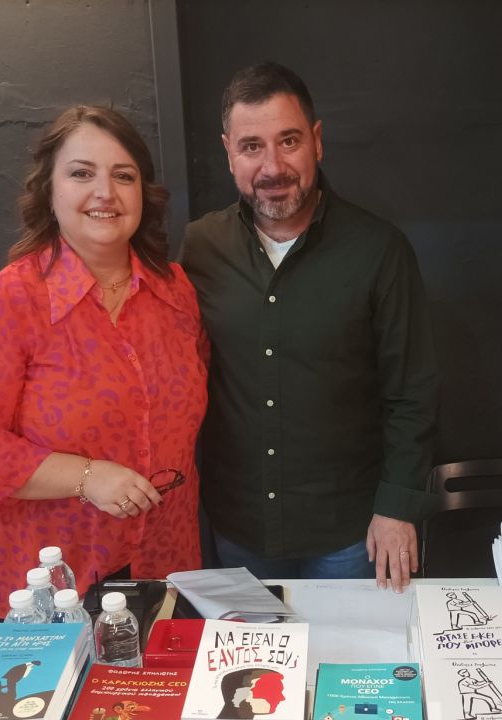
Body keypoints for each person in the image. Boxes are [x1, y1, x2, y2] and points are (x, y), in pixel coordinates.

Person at [0, 105, 208, 619]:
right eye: (82, 173)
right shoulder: (6, 301)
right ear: (49, 190)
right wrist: (88, 476)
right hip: (54, 579)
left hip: (165, 559)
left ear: (143, 194)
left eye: (123, 176)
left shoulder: (177, 293)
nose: (105, 192)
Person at [180, 62, 440, 593]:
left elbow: (412, 392)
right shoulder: (201, 248)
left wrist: (398, 508)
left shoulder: (379, 251)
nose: (272, 166)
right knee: (253, 652)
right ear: (228, 152)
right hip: (239, 528)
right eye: (251, 146)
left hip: (350, 533)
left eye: (289, 140)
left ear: (317, 141)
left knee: (349, 650)